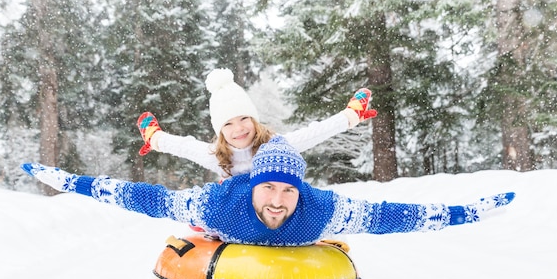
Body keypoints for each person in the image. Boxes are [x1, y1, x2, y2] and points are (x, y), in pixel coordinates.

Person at [21, 137, 515, 247]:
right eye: (268, 188)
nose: (277, 199)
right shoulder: (216, 203)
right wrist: (67, 181)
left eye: (287, 190)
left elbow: (400, 214)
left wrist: (472, 211)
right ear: (252, 186)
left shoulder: (324, 211)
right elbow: (135, 194)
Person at [136, 68, 377, 179]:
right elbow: (183, 146)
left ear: (254, 120)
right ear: (220, 131)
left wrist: (350, 115)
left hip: (271, 209)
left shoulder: (274, 146)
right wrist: (155, 137)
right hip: (238, 212)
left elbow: (312, 133)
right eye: (228, 124)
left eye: (244, 119)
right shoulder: (216, 155)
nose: (238, 129)